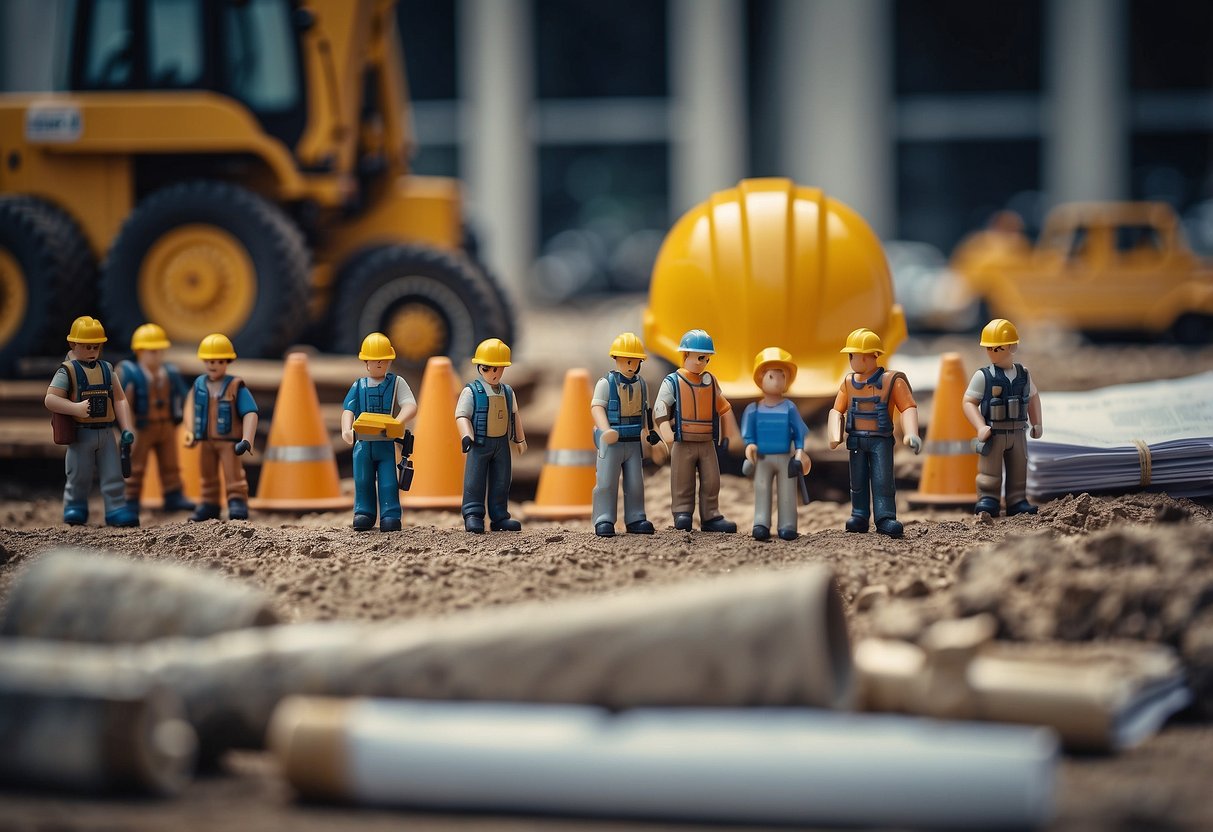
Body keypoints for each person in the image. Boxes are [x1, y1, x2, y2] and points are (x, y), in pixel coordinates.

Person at [43, 316, 138, 527]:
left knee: (113, 473)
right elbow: (50, 399)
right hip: (80, 434)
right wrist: (75, 408)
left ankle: (116, 508)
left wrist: (127, 428)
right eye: (87, 346)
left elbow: (120, 399)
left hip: (106, 433)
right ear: (73, 344)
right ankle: (74, 505)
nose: (93, 351)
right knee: (78, 474)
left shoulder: (107, 369)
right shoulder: (67, 371)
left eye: (96, 346)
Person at [828, 328, 921, 538]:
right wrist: (835, 434)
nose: (851, 359)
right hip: (856, 440)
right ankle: (859, 515)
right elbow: (837, 410)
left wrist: (911, 433)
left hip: (881, 440)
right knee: (857, 480)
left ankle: (885, 517)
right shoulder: (848, 383)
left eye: (853, 355)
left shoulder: (891, 381)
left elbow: (908, 407)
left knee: (882, 479)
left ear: (870, 355)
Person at [653, 329, 738, 533]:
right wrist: (665, 431)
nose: (702, 362)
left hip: (707, 441)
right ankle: (682, 513)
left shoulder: (710, 381)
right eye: (699, 357)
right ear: (685, 355)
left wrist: (728, 434)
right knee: (682, 480)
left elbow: (723, 408)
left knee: (711, 480)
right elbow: (660, 408)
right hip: (683, 441)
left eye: (706, 359)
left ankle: (711, 515)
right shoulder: (673, 382)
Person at [961, 318, 1043, 517]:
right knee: (989, 471)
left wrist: (1037, 422)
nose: (992, 353)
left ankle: (1017, 499)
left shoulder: (1024, 374)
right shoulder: (983, 376)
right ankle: (988, 498)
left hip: (1017, 431)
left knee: (1019, 468)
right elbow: (968, 402)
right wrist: (980, 427)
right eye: (989, 349)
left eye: (997, 348)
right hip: (994, 432)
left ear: (1012, 347)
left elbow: (1033, 397)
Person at [340, 332, 417, 532]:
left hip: (385, 442)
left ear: (390, 361)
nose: (379, 365)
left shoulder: (397, 383)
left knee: (388, 481)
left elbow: (410, 405)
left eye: (383, 360)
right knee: (363, 480)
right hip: (363, 443)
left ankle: (390, 514)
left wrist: (398, 421)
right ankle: (364, 512)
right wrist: (346, 429)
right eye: (375, 361)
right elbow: (348, 410)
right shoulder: (359, 385)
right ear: (366, 362)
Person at [117, 323, 194, 513]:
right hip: (143, 427)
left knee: (171, 464)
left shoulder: (169, 374)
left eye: (160, 350)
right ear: (139, 351)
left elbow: (185, 396)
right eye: (152, 351)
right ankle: (130, 499)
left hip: (167, 426)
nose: (157, 355)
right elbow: (120, 401)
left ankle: (174, 495)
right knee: (136, 465)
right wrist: (127, 428)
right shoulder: (130, 374)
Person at [590, 332, 660, 537]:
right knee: (607, 482)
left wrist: (650, 434)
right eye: (627, 360)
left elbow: (646, 411)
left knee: (635, 482)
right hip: (611, 442)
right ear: (616, 359)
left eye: (636, 361)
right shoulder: (606, 383)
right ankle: (603, 518)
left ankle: (636, 517)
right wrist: (606, 430)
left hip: (633, 443)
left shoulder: (641, 384)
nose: (631, 365)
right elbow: (596, 407)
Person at [184, 333, 258, 521]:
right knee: (207, 473)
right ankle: (209, 503)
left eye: (218, 361)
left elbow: (250, 412)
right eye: (209, 361)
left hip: (229, 442)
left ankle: (237, 502)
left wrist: (247, 439)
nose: (213, 365)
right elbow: (190, 407)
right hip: (205, 440)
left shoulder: (235, 386)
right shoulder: (199, 384)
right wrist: (190, 430)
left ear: (227, 361)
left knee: (233, 474)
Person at [455, 338, 527, 533]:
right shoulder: (471, 392)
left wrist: (520, 439)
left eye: (498, 368)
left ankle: (500, 516)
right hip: (479, 443)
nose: (494, 373)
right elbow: (462, 415)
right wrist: (466, 435)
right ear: (480, 367)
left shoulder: (508, 392)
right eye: (488, 369)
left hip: (501, 444)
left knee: (502, 481)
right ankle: (473, 514)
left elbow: (515, 416)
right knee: (474, 480)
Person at [742, 347, 811, 541]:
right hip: (762, 458)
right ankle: (761, 522)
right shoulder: (753, 409)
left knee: (788, 492)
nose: (778, 381)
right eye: (772, 376)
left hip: (785, 458)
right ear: (761, 378)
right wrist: (750, 445)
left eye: (783, 376)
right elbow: (748, 435)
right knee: (762, 490)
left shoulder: (790, 408)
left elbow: (799, 432)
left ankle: (788, 524)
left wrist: (799, 451)